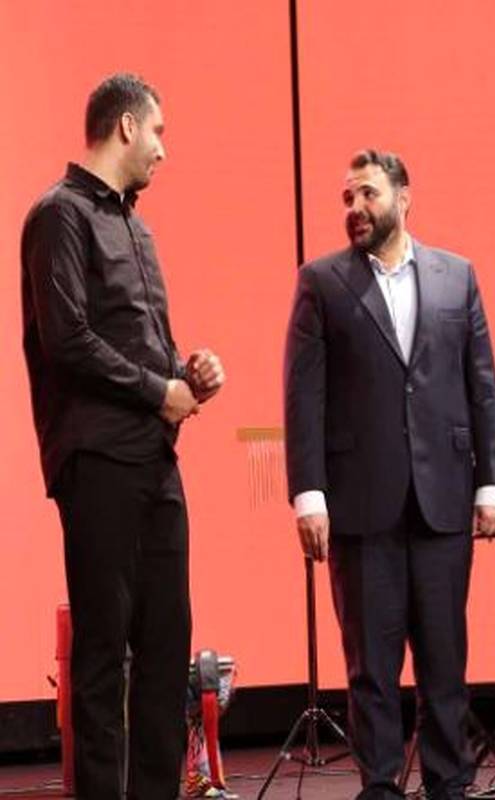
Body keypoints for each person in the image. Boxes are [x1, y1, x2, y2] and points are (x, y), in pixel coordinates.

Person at [21, 72, 225, 799]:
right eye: (158, 132)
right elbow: (67, 340)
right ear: (127, 126)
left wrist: (187, 373)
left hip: (155, 458)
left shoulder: (137, 229)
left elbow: (143, 345)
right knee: (104, 652)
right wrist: (157, 390)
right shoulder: (59, 215)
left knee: (167, 647)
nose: (163, 150)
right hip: (97, 455)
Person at [283, 149, 495, 800]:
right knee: (371, 669)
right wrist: (308, 494)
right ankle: (380, 787)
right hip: (359, 504)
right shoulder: (322, 281)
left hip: (444, 499)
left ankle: (449, 785)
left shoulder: (456, 276)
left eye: (368, 194)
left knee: (445, 662)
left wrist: (493, 482)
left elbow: (482, 385)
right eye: (348, 198)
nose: (356, 208)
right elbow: (303, 395)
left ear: (403, 199)